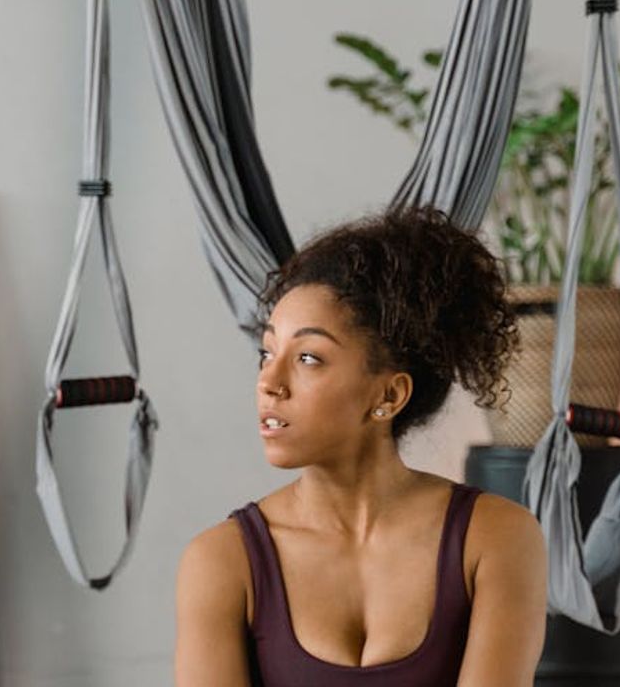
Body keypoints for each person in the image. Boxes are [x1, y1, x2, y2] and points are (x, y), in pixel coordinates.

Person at [174, 206, 547, 686]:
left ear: (389, 395)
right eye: (267, 353)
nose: (270, 382)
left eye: (308, 357)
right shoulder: (221, 562)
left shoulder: (495, 539)